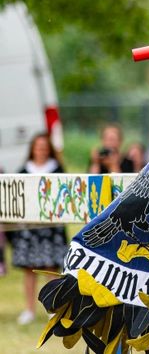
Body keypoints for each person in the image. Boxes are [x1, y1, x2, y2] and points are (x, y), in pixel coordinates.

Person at [7, 134, 69, 325]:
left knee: (51, 268)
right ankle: (29, 310)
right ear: (32, 149)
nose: (41, 150)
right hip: (29, 228)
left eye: (44, 146)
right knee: (30, 269)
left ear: (48, 148)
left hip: (50, 227)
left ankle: (52, 309)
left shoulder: (57, 169)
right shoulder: (23, 171)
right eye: (37, 146)